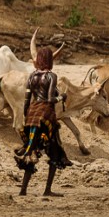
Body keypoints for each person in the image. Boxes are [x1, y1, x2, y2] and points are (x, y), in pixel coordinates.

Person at [14, 47, 72, 196]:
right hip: (46, 115)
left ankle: (23, 189)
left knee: (32, 149)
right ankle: (47, 190)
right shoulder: (51, 76)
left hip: (32, 114)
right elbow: (49, 99)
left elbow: (27, 101)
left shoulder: (32, 76)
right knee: (55, 150)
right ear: (50, 60)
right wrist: (62, 97)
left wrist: (27, 116)